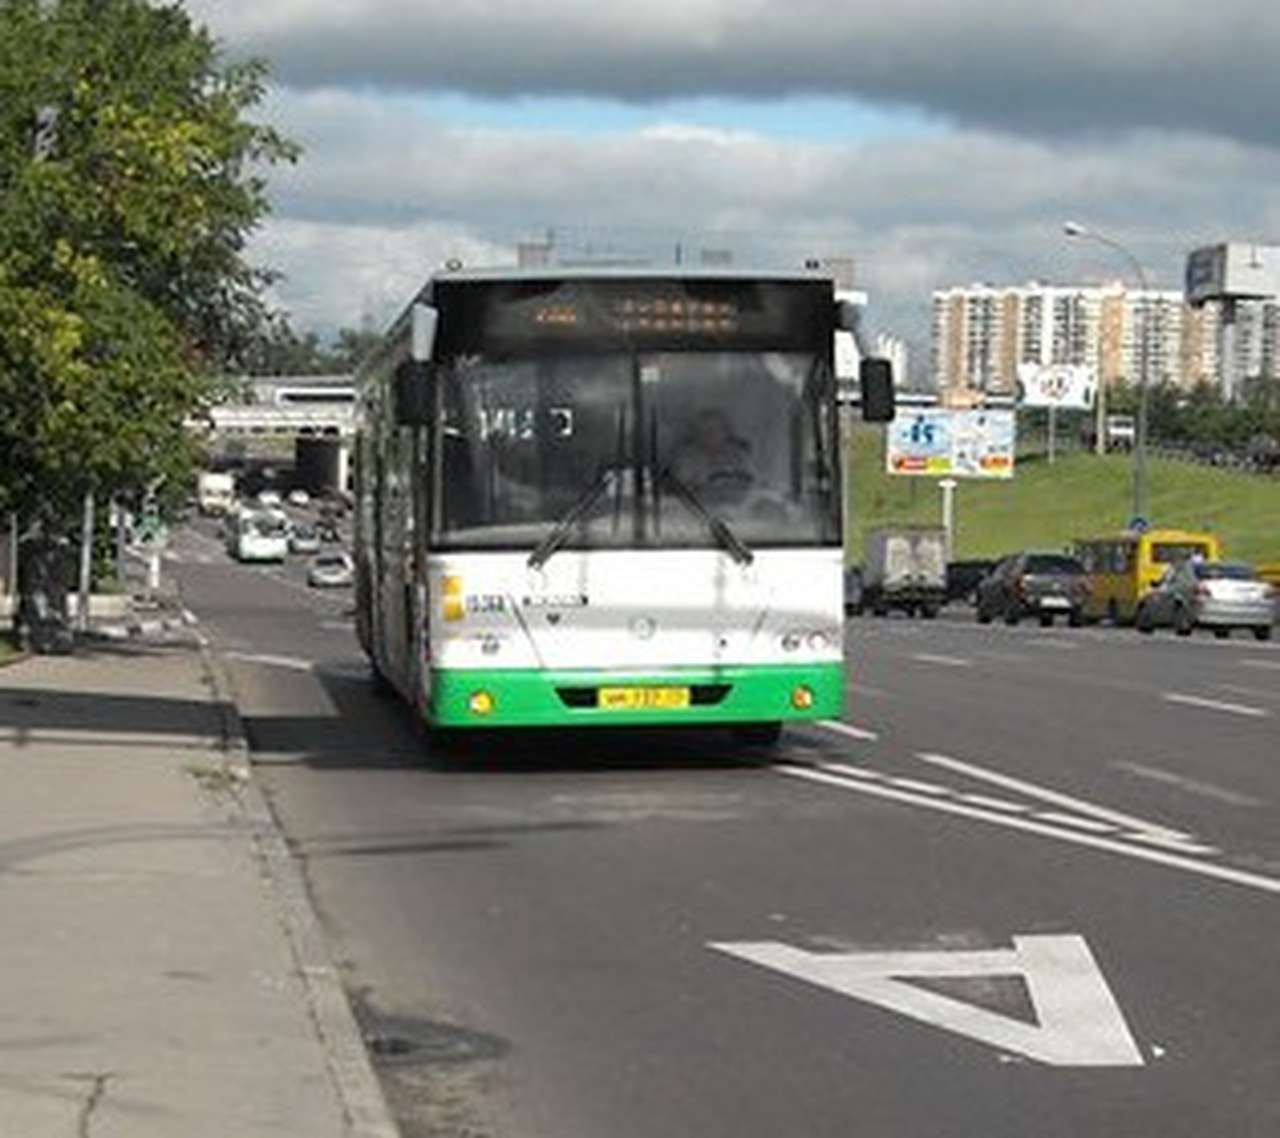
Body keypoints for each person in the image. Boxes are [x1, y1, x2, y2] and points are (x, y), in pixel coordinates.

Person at [669, 408, 753, 497]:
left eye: (717, 430)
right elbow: (681, 489)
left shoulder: (738, 455)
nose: (712, 435)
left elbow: (752, 481)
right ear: (697, 434)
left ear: (726, 432)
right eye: (706, 431)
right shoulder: (687, 459)